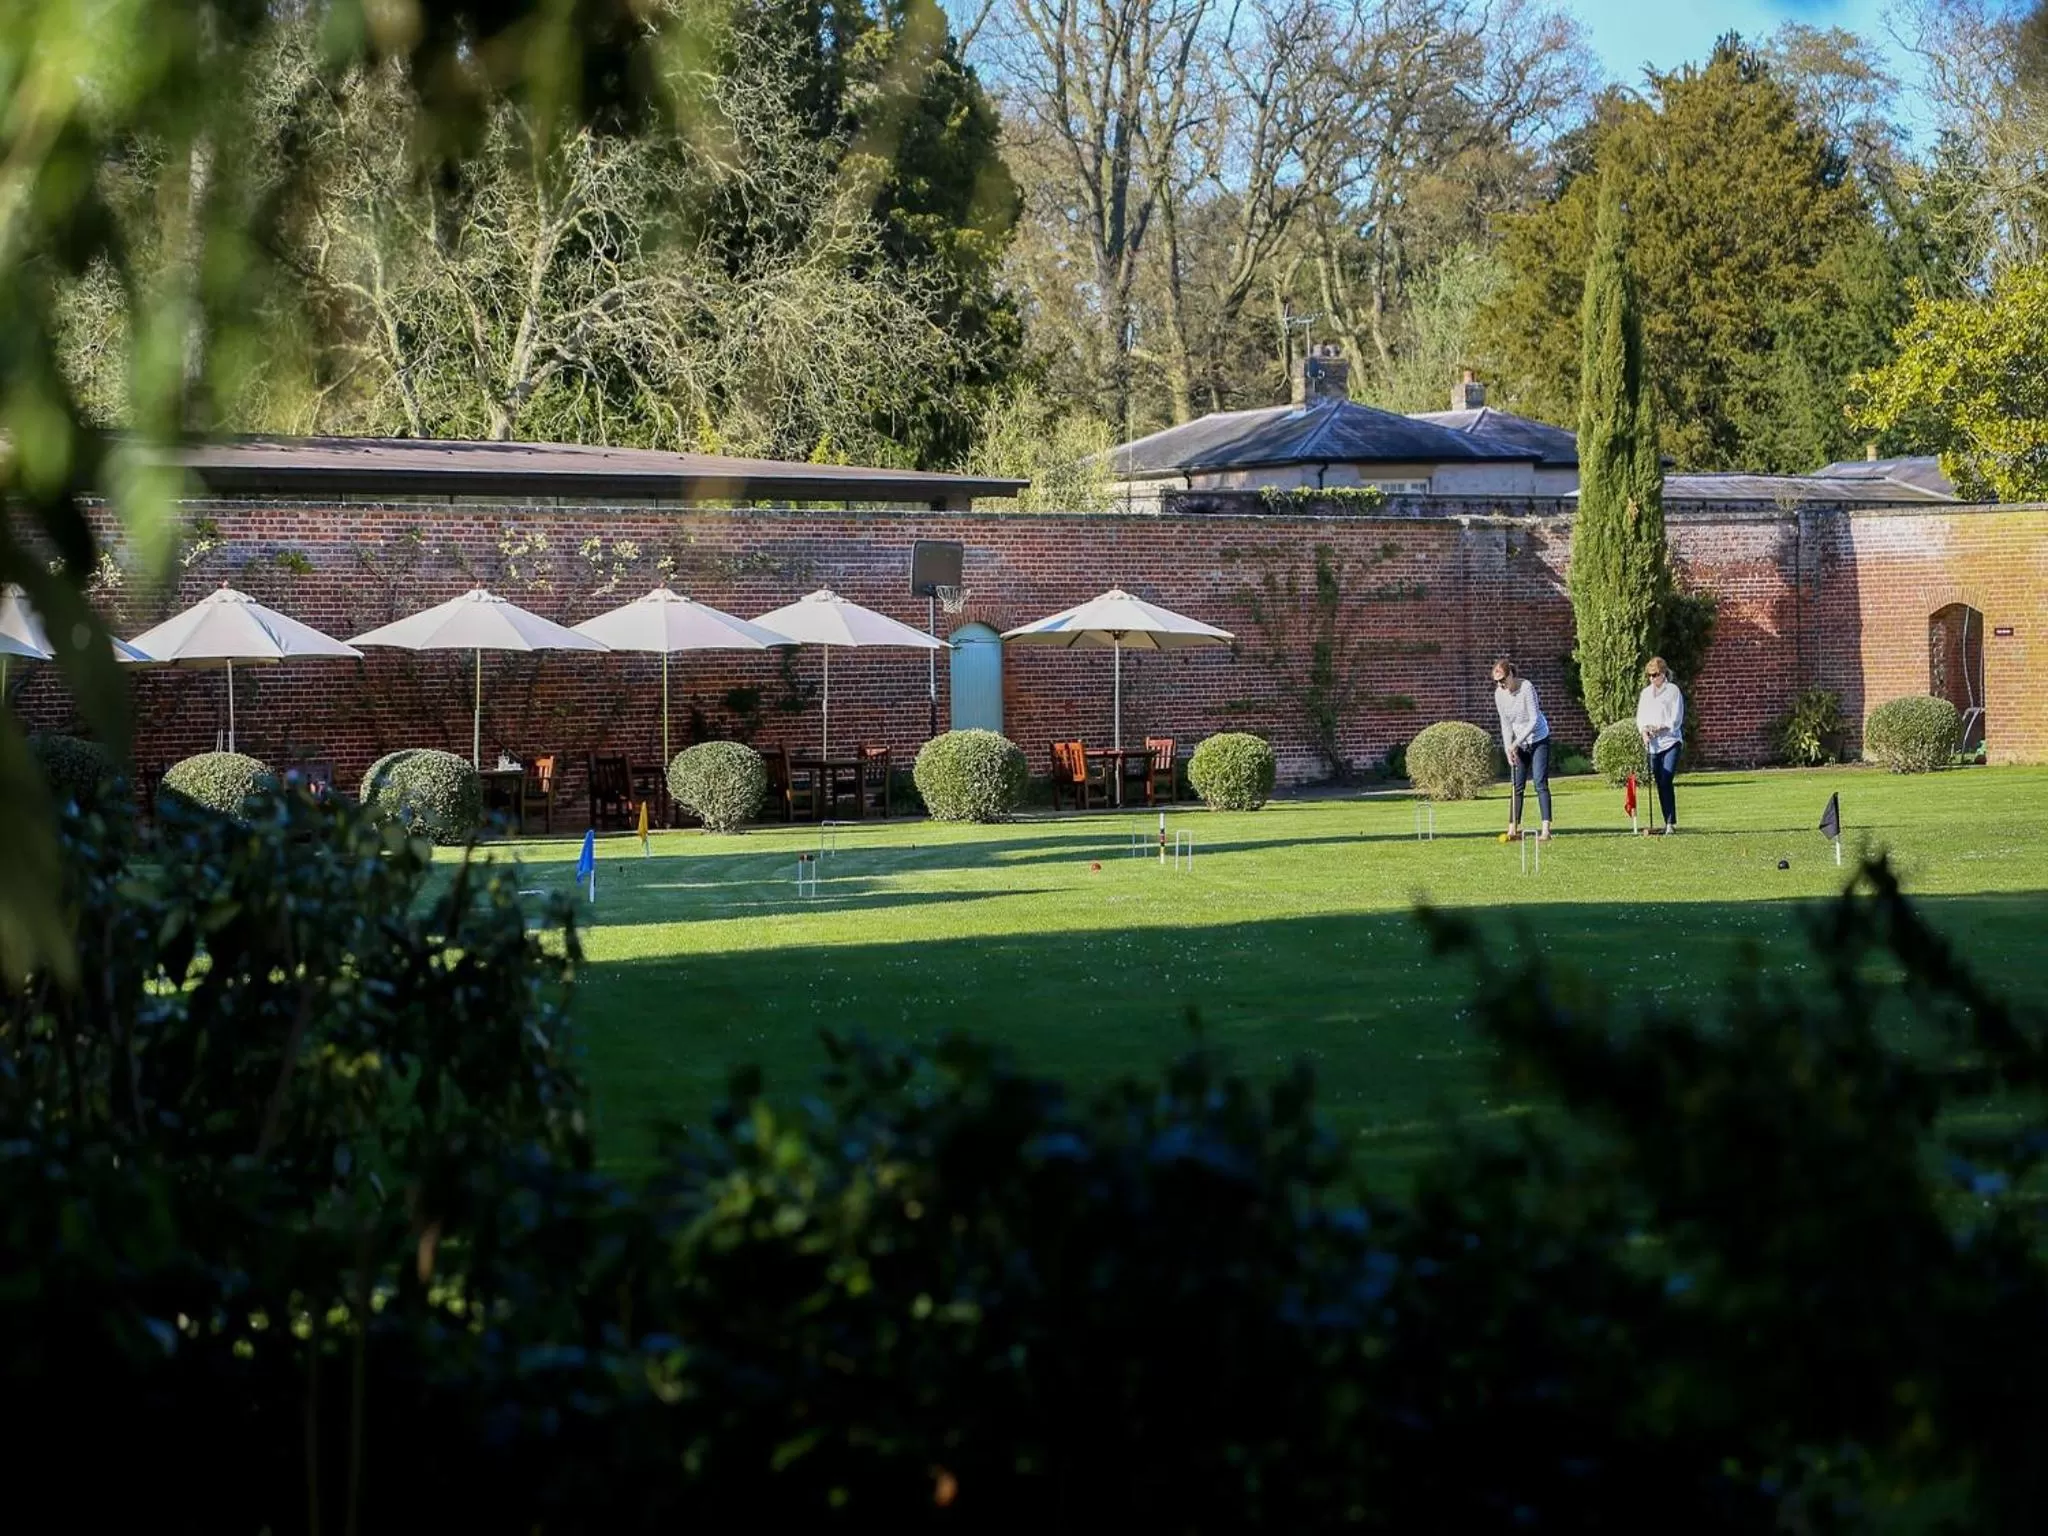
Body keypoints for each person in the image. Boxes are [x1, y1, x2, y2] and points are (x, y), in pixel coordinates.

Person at [1492, 658, 1551, 842]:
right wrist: (1508, 748)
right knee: (1517, 786)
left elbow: (1533, 720)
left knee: (1540, 783)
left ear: (1511, 675)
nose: (1501, 685)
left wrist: (1515, 743)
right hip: (1518, 742)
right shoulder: (1499, 695)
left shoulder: (1526, 687)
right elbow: (1505, 724)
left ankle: (1546, 830)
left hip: (1539, 738)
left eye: (1503, 680)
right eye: (1497, 682)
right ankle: (1512, 829)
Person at [1636, 655, 1684, 835]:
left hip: (1671, 741)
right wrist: (1644, 732)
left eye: (1655, 675)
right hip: (1653, 745)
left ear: (1663, 673)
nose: (1652, 678)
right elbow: (1641, 717)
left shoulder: (1673, 691)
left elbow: (1676, 718)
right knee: (1659, 781)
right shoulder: (1646, 694)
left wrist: (1661, 727)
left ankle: (1670, 823)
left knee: (1666, 778)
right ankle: (1666, 820)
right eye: (1649, 675)